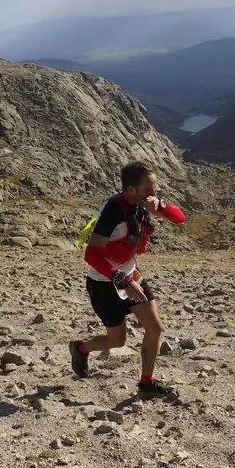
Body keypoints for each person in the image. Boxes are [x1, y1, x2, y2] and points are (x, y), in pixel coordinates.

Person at [69, 161, 187, 398]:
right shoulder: (113, 210)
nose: (152, 195)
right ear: (130, 189)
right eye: (148, 190)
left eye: (155, 190)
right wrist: (121, 279)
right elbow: (92, 254)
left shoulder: (142, 204)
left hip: (130, 275)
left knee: (154, 328)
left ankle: (146, 383)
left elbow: (180, 218)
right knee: (117, 341)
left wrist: (161, 206)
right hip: (103, 283)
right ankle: (81, 348)